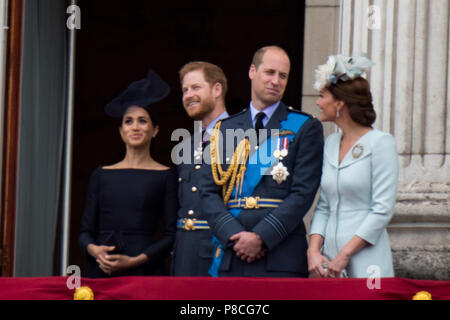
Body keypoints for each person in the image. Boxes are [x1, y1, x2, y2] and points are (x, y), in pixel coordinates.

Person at [200, 46, 324, 277]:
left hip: (281, 255)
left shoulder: (305, 127)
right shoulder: (224, 130)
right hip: (232, 253)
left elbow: (303, 194)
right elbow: (208, 193)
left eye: (283, 75)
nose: (276, 81)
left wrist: (262, 237)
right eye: (270, 72)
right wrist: (233, 235)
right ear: (252, 71)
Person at [78, 69, 178, 278]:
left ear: (155, 130)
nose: (135, 127)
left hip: (145, 269)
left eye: (142, 121)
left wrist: (136, 260)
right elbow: (84, 232)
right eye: (128, 121)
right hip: (102, 267)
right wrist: (95, 250)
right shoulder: (101, 174)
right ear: (121, 130)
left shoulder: (166, 175)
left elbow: (171, 235)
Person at [308, 54, 399, 278]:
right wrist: (313, 250)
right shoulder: (329, 144)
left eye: (322, 96)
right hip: (329, 264)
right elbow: (324, 206)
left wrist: (345, 254)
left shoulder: (381, 143)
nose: (318, 103)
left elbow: (382, 210)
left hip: (368, 262)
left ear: (340, 103)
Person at [172, 61, 229, 276]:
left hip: (219, 254)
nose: (188, 95)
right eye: (185, 90)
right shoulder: (186, 145)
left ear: (217, 89)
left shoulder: (241, 137)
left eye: (196, 88)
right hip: (185, 255)